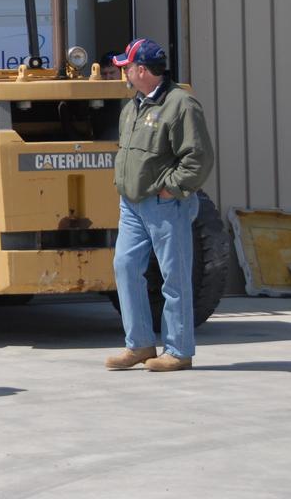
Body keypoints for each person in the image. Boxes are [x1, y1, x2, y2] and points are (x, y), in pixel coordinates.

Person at [107, 38, 214, 371]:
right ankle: (139, 345)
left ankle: (178, 351)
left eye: (126, 66)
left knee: (174, 277)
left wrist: (172, 189)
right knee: (125, 267)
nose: (123, 72)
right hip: (132, 204)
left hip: (165, 205)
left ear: (141, 70)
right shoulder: (133, 106)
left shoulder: (181, 104)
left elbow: (198, 157)